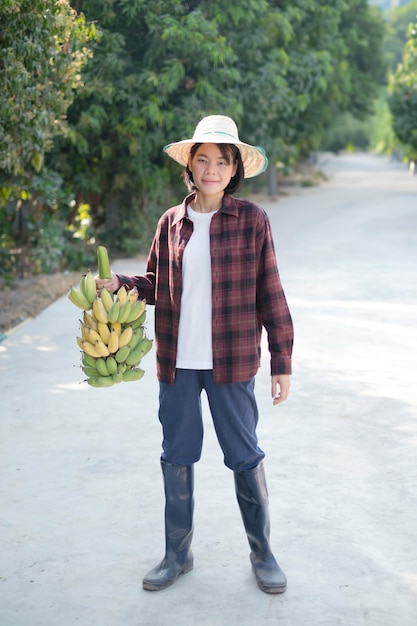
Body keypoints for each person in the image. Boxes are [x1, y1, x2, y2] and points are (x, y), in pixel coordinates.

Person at [95, 115, 294, 594]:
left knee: (244, 455)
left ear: (233, 171)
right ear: (190, 165)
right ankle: (176, 554)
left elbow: (271, 292)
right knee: (176, 455)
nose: (210, 169)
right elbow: (156, 284)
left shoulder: (251, 220)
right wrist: (118, 283)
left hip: (232, 362)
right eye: (202, 159)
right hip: (177, 365)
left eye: (220, 161)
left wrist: (282, 360)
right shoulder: (171, 222)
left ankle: (263, 554)